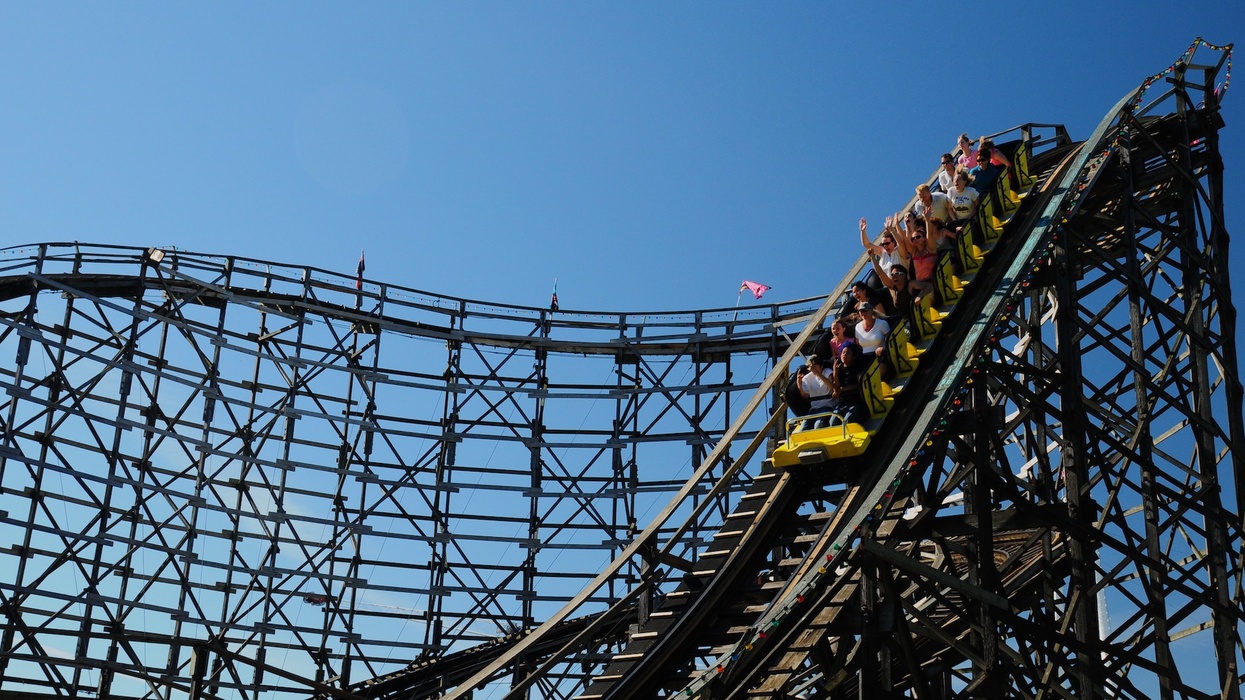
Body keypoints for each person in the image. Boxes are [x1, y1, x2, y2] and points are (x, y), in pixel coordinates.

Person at [825, 343, 871, 424]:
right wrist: (835, 373)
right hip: (842, 403)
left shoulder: (857, 368)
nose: (844, 355)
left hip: (855, 401)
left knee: (846, 422)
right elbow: (837, 387)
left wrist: (844, 389)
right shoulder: (839, 369)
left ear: (854, 357)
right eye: (843, 352)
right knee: (832, 423)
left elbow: (860, 384)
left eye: (848, 353)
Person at [797, 354, 837, 420]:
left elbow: (831, 387)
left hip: (827, 406)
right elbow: (805, 396)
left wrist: (818, 374)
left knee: (819, 424)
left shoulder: (827, 372)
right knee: (804, 427)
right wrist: (799, 384)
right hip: (814, 409)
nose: (813, 369)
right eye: (811, 367)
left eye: (815, 367)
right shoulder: (807, 378)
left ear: (821, 366)